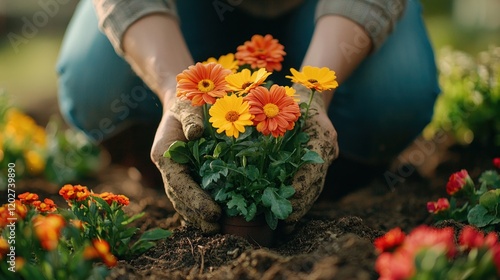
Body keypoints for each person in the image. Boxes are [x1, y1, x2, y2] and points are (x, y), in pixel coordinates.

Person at [56, 0, 440, 233]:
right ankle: (165, 162)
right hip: (190, 11)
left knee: (396, 92)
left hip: (326, 14)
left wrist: (312, 95)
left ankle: (338, 170)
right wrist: (178, 92)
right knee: (94, 86)